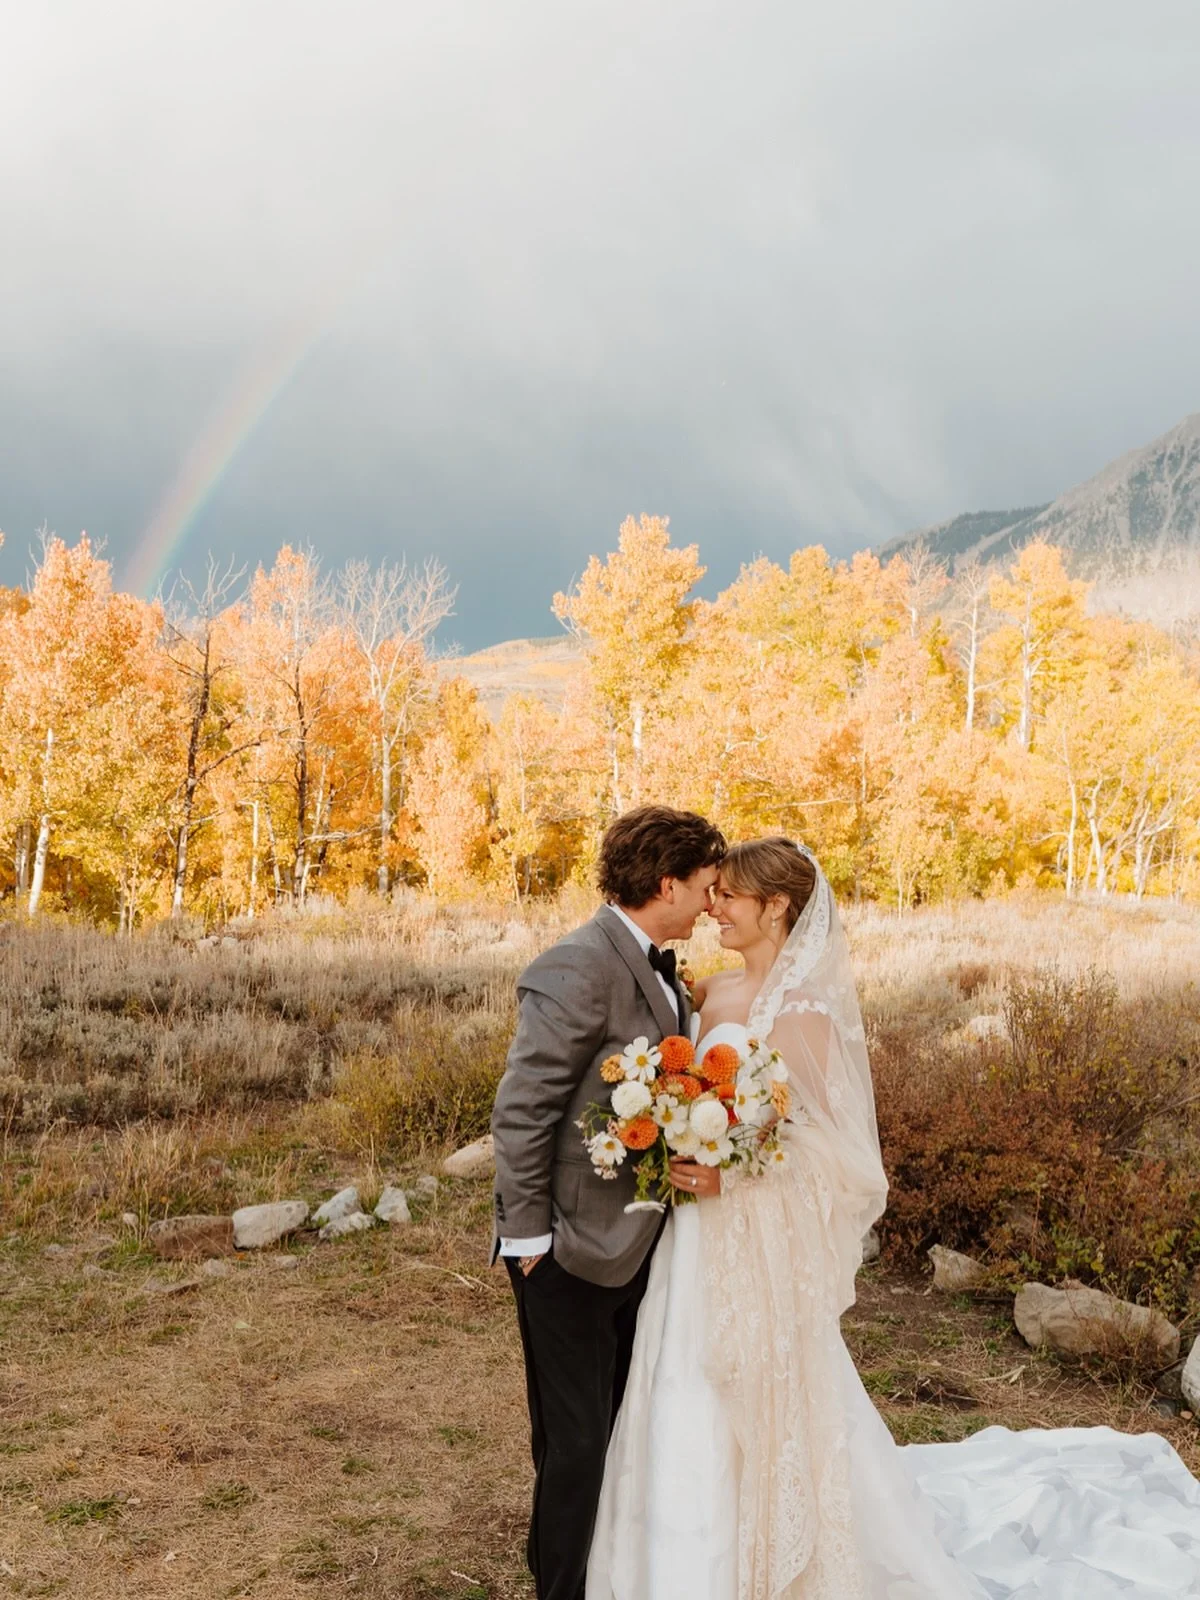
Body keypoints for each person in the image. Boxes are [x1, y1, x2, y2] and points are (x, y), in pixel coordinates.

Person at [588, 835, 1200, 1600]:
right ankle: (670, 1562)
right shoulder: (710, 991)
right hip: (691, 1235)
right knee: (681, 1374)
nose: (714, 906)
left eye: (730, 897)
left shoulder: (802, 1011)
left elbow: (827, 1150)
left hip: (747, 1230)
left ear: (776, 907)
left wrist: (729, 1173)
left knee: (758, 1385)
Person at [491, 804, 726, 1600]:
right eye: (703, 886)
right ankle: (559, 1588)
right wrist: (527, 1242)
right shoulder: (577, 966)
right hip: (568, 1248)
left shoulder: (658, 964)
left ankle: (596, 1571)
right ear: (667, 883)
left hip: (638, 1245)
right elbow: (523, 1111)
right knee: (578, 1439)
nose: (709, 903)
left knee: (613, 1429)